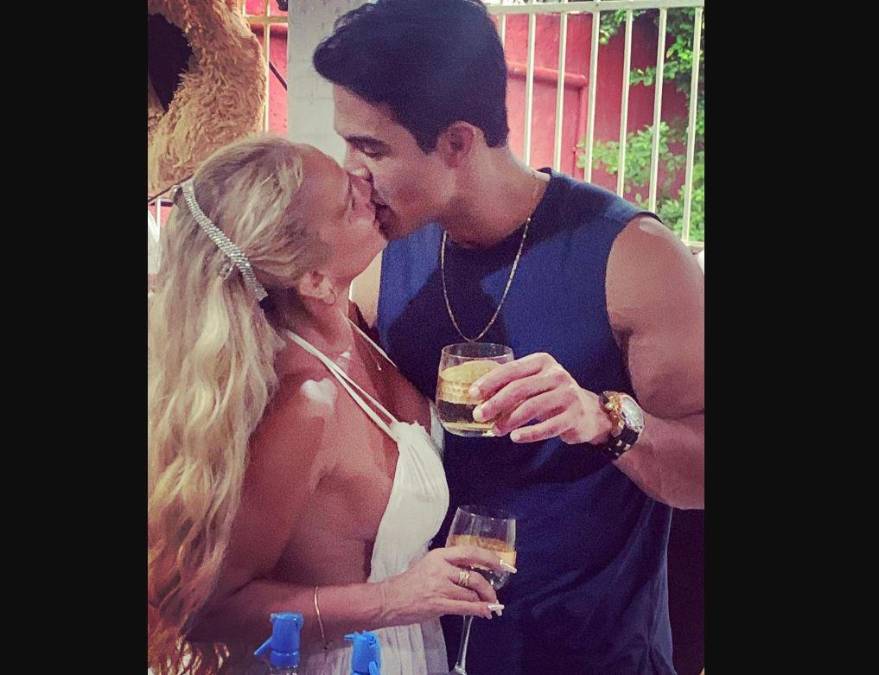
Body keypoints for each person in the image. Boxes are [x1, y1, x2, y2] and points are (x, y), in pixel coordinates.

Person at [313, 1, 704, 672]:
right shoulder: (382, 254)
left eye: (371, 148)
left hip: (590, 652)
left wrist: (604, 416)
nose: (352, 171)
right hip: (426, 646)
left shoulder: (635, 257)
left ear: (457, 143)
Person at [148, 135, 512, 675]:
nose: (366, 185)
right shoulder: (303, 404)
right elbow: (204, 610)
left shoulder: (354, 331)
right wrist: (394, 598)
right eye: (348, 202)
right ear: (314, 278)